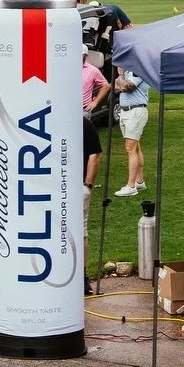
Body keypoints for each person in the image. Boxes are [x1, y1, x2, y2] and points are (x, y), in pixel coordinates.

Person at [112, 66, 151, 196]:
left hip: (135, 111)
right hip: (125, 111)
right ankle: (140, 181)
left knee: (130, 148)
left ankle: (131, 186)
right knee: (136, 147)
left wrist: (121, 76)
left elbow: (126, 87)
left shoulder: (137, 70)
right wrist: (121, 82)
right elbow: (116, 87)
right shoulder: (128, 71)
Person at [82, 113, 102, 293]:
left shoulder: (84, 125)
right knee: (81, 230)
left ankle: (82, 276)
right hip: (61, 188)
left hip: (78, 187)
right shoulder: (84, 123)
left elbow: (94, 155)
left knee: (81, 230)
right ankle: (82, 276)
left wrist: (87, 184)